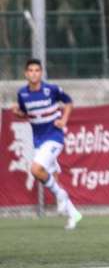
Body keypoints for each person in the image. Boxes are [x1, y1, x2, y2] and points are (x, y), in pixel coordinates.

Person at [12, 59, 82, 230]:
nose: (34, 73)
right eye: (30, 70)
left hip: (54, 136)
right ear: (26, 73)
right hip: (38, 140)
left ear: (41, 73)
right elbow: (26, 114)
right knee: (43, 174)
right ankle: (74, 214)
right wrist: (17, 113)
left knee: (35, 169)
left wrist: (64, 119)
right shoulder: (23, 94)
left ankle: (61, 195)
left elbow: (69, 102)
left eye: (37, 70)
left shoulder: (51, 90)